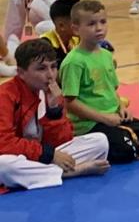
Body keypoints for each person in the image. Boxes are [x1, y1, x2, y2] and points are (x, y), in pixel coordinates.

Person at [59, 0, 139, 163]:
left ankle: (124, 137)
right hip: (89, 125)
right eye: (91, 24)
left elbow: (111, 89)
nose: (99, 28)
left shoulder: (106, 55)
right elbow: (70, 103)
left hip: (115, 117)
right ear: (76, 29)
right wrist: (104, 118)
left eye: (103, 22)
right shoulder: (74, 62)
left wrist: (122, 107)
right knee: (127, 150)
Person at [0, 39, 110, 190]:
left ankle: (44, 174)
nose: (50, 75)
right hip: (16, 157)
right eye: (41, 69)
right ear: (21, 73)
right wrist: (49, 154)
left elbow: (63, 141)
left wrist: (54, 111)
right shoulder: (5, 96)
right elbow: (4, 143)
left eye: (53, 67)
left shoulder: (51, 93)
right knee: (4, 166)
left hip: (39, 158)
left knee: (100, 141)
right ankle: (69, 172)